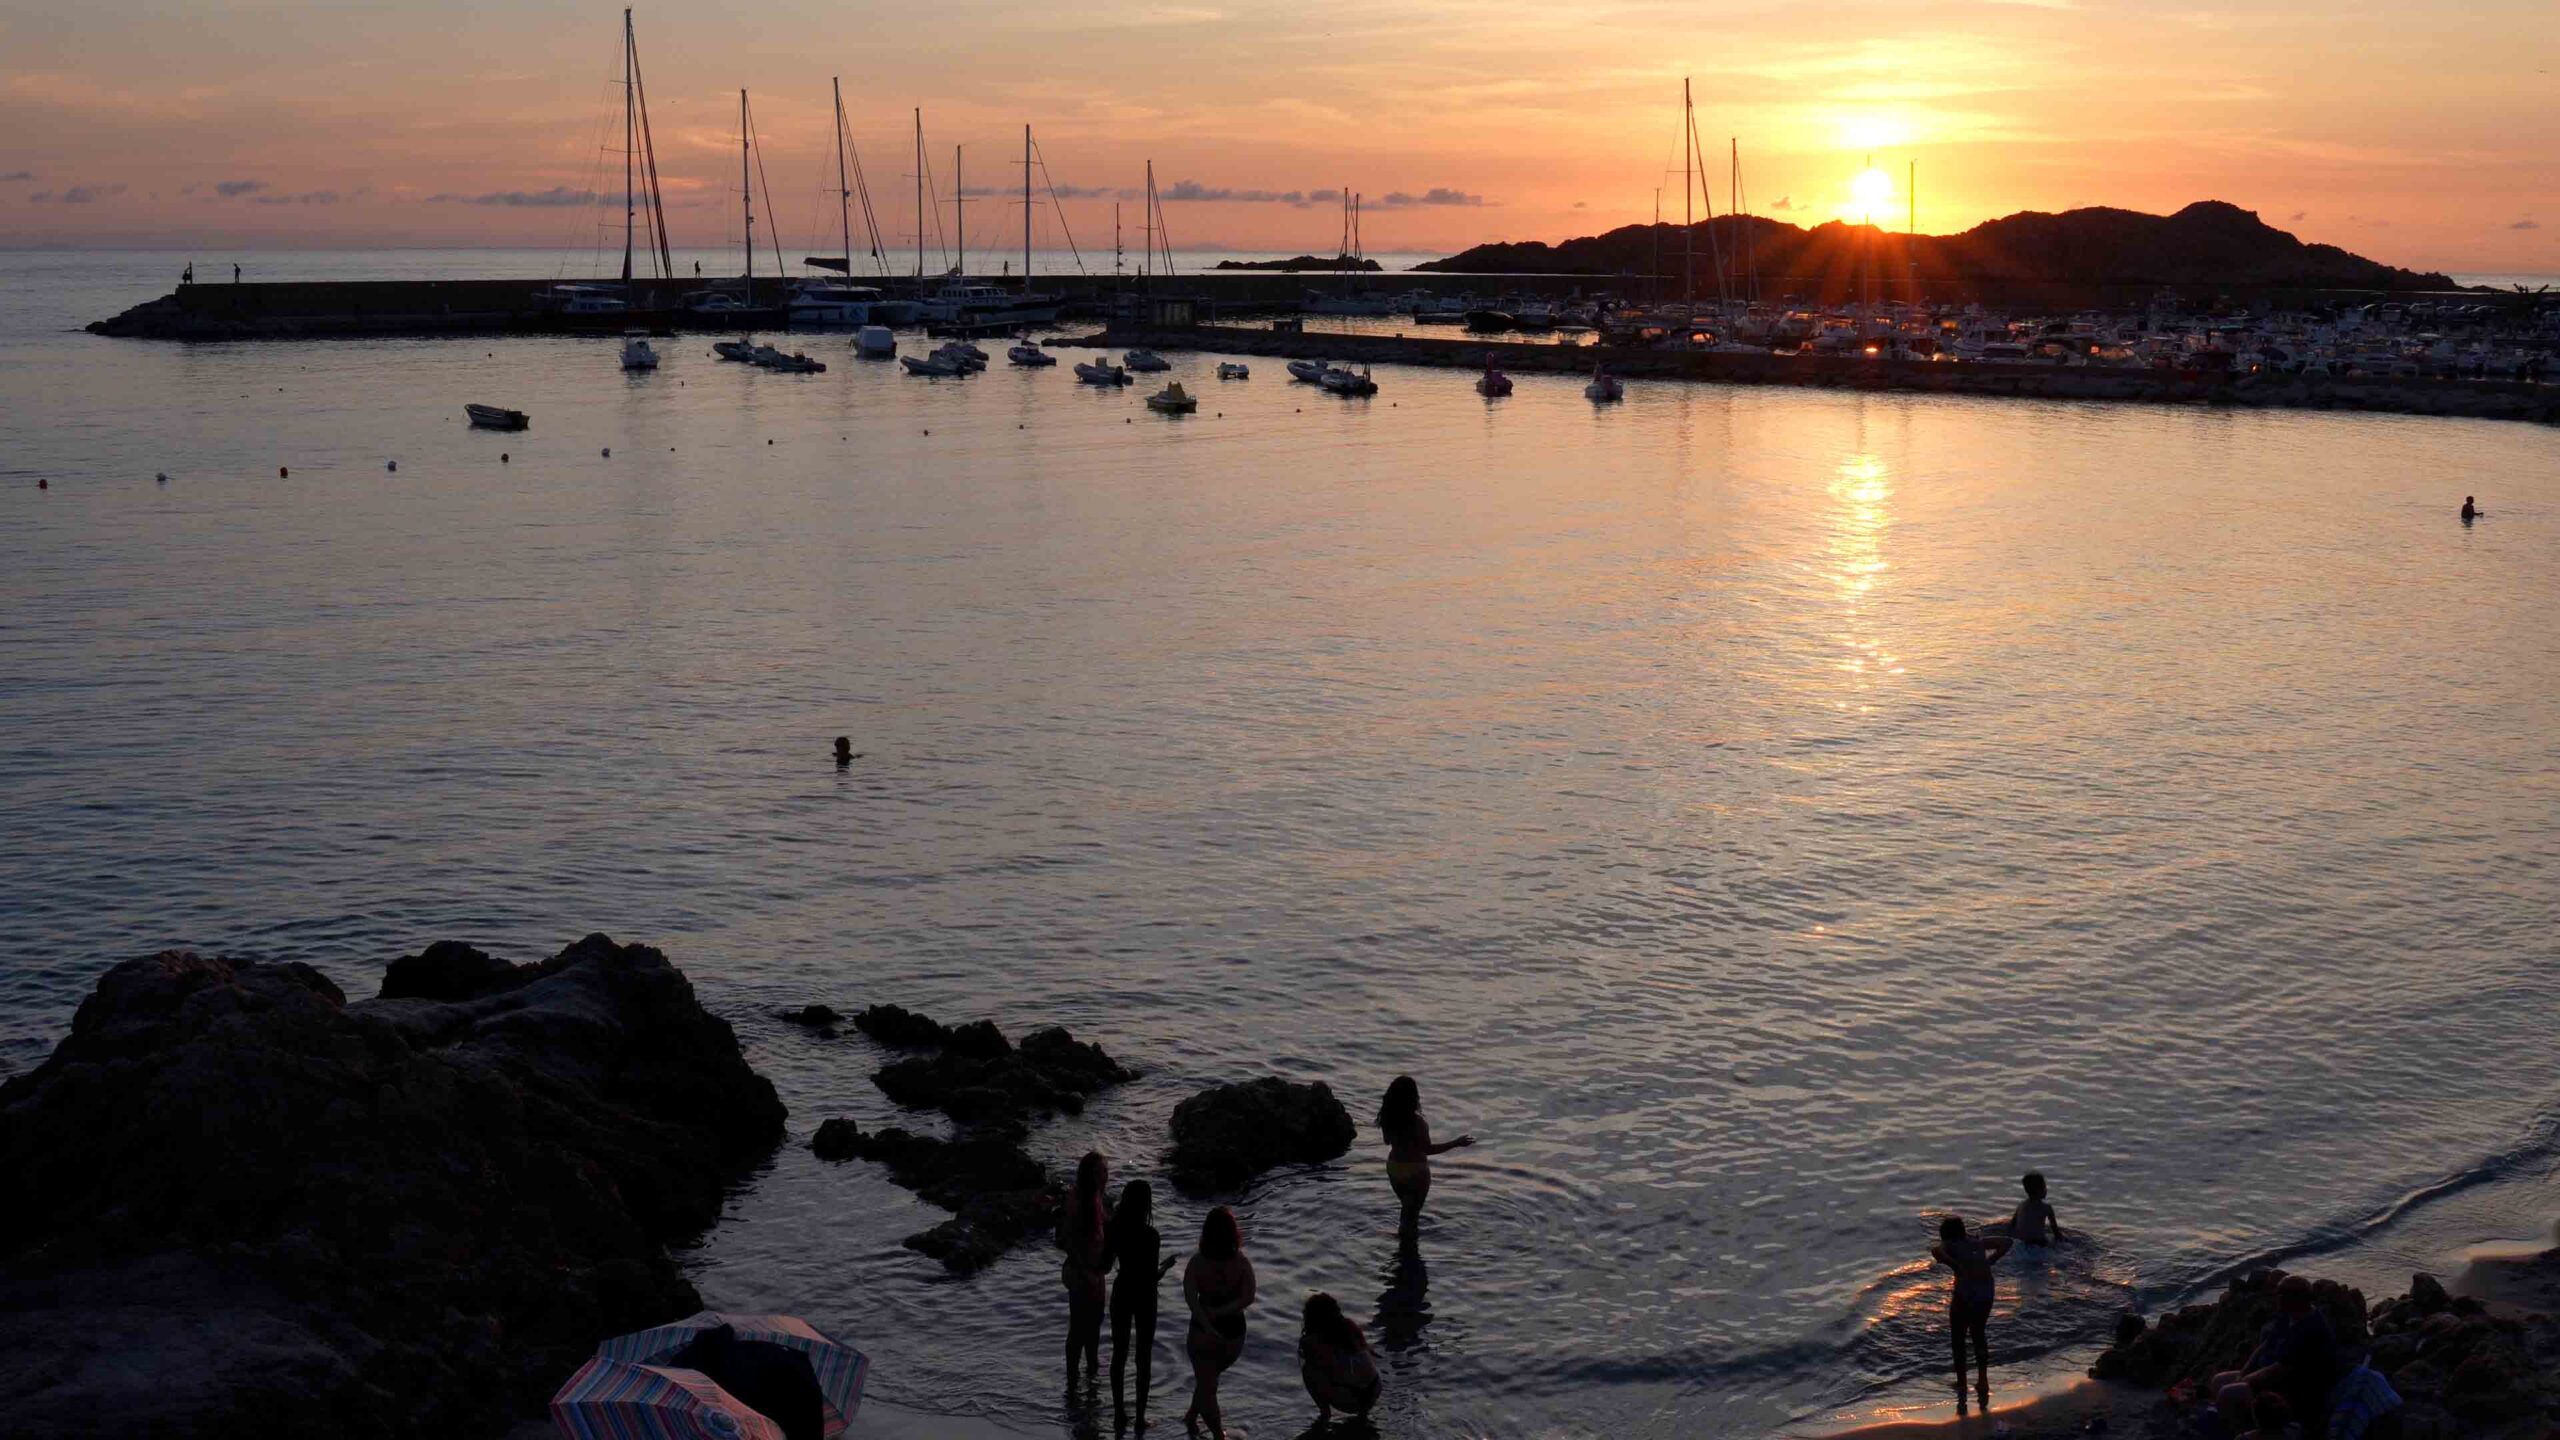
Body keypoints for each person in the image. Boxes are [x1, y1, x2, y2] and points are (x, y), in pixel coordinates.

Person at [2210, 1276, 2339, 1436]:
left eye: (2280, 1294)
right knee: (2218, 1381)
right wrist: (2244, 1372)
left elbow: (2278, 1370)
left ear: (2296, 1298)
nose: (2276, 1297)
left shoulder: (2312, 1330)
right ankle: (2237, 1427)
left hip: (2293, 1391)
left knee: (2228, 1393)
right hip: (2271, 1378)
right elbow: (2264, 1346)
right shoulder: (2287, 1316)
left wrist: (2245, 1381)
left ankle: (2246, 1433)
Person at [1105, 1179, 1178, 1431]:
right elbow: (1150, 1276)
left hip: (1122, 1290)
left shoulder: (1115, 1229)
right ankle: (1139, 1419)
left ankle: (1118, 1415)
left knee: (1119, 1354)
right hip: (1145, 1295)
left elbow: (1105, 1266)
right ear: (1146, 1205)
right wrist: (1166, 1267)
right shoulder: (1151, 1236)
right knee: (1143, 1357)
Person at [1181, 1206, 1255, 1439]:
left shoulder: (1197, 1263)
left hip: (1203, 1334)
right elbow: (1248, 1297)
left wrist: (1208, 1321)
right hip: (1234, 1334)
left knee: (1207, 1384)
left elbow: (1192, 1300)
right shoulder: (1242, 1263)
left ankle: (1219, 1436)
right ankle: (1192, 1417)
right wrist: (1225, 1311)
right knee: (1208, 1381)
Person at [1377, 1076, 1474, 1240]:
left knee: (1407, 1212)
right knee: (1411, 1217)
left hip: (1394, 1169)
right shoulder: (1418, 1122)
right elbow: (1428, 1149)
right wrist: (1456, 1143)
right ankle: (1408, 1253)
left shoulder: (1387, 1119)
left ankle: (1402, 1247)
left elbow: (1387, 1141)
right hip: (1415, 1173)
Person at [1931, 1214, 2012, 1406]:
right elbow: (2007, 1242)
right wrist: (1991, 1261)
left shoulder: (1951, 1244)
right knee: (1978, 1333)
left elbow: (1937, 1251)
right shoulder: (1978, 1242)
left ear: (1947, 1236)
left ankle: (1962, 1384)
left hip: (1966, 1292)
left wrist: (1955, 1265)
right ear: (1963, 1231)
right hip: (1986, 1292)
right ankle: (1983, 1381)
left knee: (1958, 1338)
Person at [1059, 1152, 1113, 1393]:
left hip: (1095, 1271)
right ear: (1089, 1175)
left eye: (1106, 1171)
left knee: (1094, 1324)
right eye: (1101, 1172)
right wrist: (1085, 1271)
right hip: (1081, 1272)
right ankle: (1072, 1381)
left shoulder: (1098, 1198)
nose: (1106, 1176)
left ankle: (1091, 1371)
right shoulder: (1079, 1201)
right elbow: (1069, 1240)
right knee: (1079, 1328)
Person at [1298, 1292, 1380, 1425]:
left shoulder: (1311, 1341)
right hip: (1373, 1389)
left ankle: (1325, 1414)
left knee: (1308, 1370)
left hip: (1348, 1399)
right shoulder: (1349, 1326)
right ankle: (1363, 1416)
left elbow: (1323, 1368)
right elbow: (1367, 1351)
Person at [2009, 1171, 2063, 1245]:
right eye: (2044, 1187)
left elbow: (2012, 1225)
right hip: (2039, 1244)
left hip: (2021, 1243)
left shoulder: (2021, 1205)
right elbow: (2056, 1232)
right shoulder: (2046, 1208)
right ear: (2039, 1191)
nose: (2046, 1189)